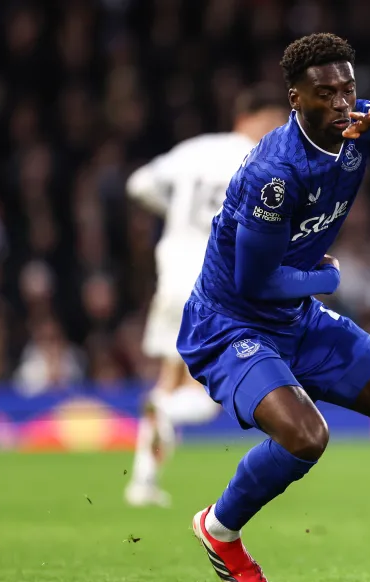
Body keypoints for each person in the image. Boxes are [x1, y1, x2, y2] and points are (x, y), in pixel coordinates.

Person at [177, 33, 370, 582]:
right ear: (296, 99)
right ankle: (218, 528)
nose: (340, 102)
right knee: (306, 436)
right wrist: (326, 280)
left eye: (347, 90)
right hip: (232, 323)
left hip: (295, 318)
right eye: (325, 93)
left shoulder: (356, 129)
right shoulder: (275, 174)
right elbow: (255, 282)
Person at [124, 86, 289, 508]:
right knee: (204, 394)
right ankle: (167, 413)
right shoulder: (261, 160)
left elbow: (138, 184)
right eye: (273, 120)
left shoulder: (194, 150)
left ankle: (143, 481)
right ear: (250, 117)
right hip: (213, 283)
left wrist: (176, 214)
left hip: (172, 272)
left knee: (168, 380)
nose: (277, 129)